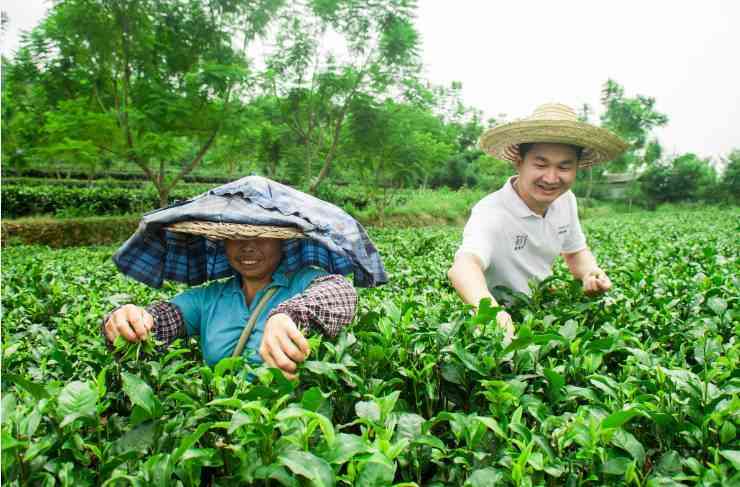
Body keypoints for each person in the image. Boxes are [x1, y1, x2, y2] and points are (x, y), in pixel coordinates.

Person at [103, 176, 387, 379]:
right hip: (223, 433)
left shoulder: (303, 280)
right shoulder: (209, 298)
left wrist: (287, 317)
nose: (247, 246)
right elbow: (164, 319)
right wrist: (130, 320)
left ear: (282, 241)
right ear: (222, 243)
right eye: (235, 237)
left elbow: (341, 293)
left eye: (261, 236)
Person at [447, 103, 628, 339]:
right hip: (499, 313)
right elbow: (463, 268)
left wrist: (590, 274)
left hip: (543, 307)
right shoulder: (490, 212)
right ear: (519, 161)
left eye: (564, 166)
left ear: (576, 168)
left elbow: (575, 253)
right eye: (541, 164)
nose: (551, 178)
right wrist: (492, 315)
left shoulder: (566, 200)